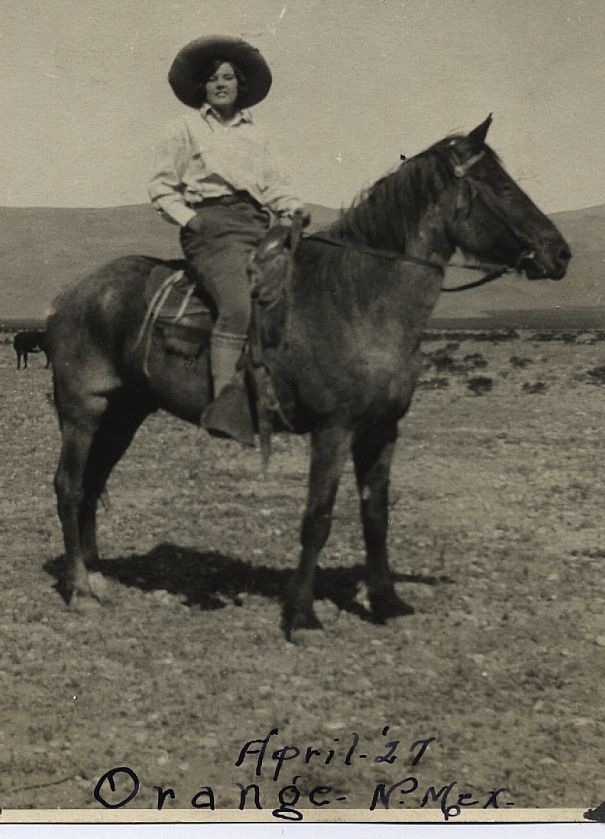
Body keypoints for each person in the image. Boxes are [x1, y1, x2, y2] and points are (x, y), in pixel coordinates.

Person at [147, 35, 309, 442]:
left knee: (297, 295)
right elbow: (161, 187)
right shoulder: (183, 127)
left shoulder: (259, 134)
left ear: (241, 85)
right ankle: (225, 405)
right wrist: (191, 221)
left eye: (229, 78)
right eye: (213, 78)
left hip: (257, 224)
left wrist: (292, 210)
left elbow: (276, 185)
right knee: (237, 305)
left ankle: (285, 391)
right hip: (211, 228)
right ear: (202, 87)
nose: (221, 84)